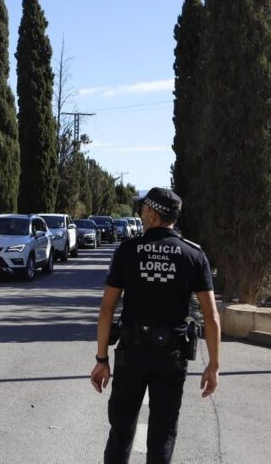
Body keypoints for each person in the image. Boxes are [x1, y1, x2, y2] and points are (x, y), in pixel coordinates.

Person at [90, 187, 221, 464]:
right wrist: (214, 366)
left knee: (121, 432)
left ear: (151, 213)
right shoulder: (193, 255)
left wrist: (102, 359)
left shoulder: (128, 251)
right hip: (170, 358)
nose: (141, 213)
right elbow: (211, 316)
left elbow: (106, 309)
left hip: (132, 356)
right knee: (162, 436)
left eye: (142, 209)